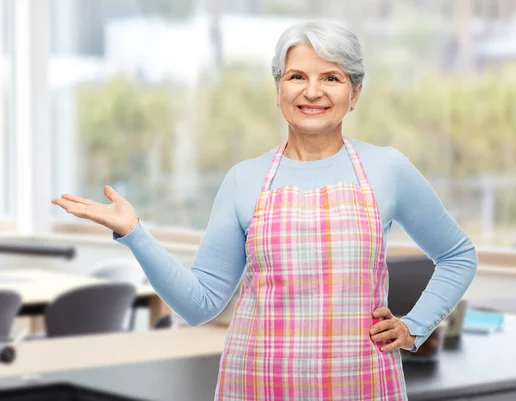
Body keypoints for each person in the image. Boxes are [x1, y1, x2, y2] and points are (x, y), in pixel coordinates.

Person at [52, 21, 478, 401]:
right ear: (278, 90)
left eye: (331, 77)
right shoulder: (245, 180)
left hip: (360, 384)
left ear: (355, 93)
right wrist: (135, 233)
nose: (312, 91)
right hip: (256, 384)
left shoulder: (389, 169)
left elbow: (458, 255)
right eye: (297, 76)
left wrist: (414, 327)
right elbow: (199, 305)